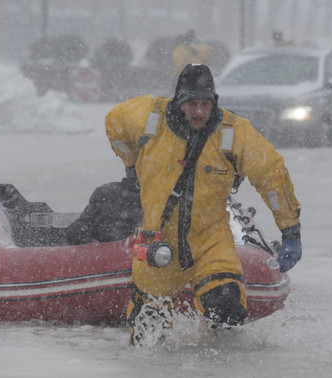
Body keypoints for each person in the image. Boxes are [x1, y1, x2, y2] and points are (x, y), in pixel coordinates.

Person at [105, 63, 302, 345]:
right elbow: (114, 124)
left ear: (214, 102)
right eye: (190, 103)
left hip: (210, 240)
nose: (198, 111)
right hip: (158, 242)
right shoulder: (147, 116)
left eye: (205, 104)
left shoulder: (234, 133)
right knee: (147, 335)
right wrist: (131, 165)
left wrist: (291, 230)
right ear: (178, 101)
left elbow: (272, 175)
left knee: (226, 306)